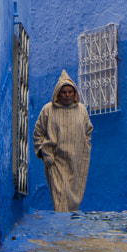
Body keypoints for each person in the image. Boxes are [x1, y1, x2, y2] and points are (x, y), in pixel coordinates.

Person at [33, 70, 93, 212]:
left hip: (76, 162)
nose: (67, 95)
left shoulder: (82, 110)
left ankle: (70, 230)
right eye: (64, 92)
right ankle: (63, 231)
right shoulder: (48, 110)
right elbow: (38, 133)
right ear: (57, 93)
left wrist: (84, 149)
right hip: (55, 162)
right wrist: (44, 153)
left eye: (70, 92)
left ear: (75, 93)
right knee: (60, 199)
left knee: (74, 200)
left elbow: (88, 131)